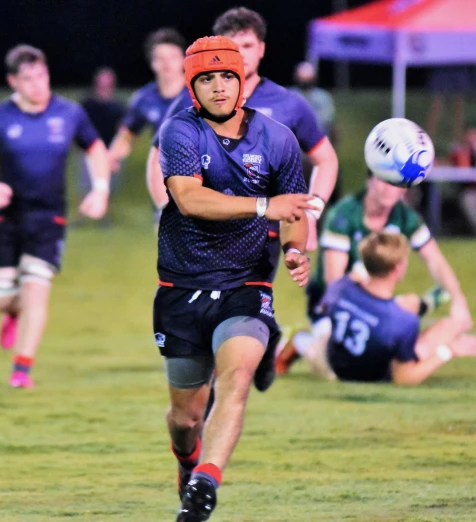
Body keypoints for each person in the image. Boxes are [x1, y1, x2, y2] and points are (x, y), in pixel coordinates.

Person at [156, 36, 315, 521]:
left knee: (237, 379)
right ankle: (189, 460)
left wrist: (294, 250)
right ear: (192, 87)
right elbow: (189, 199)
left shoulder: (278, 139)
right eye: (207, 78)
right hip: (181, 288)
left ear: (243, 80)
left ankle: (206, 483)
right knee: (186, 417)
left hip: (247, 284)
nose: (220, 87)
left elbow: (295, 211)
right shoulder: (179, 132)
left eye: (228, 76)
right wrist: (265, 206)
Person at [0, 45, 110, 388]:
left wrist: (100, 189)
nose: (37, 85)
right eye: (28, 79)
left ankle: (21, 369)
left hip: (49, 218)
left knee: (37, 291)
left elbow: (95, 149)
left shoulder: (69, 113)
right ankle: (11, 313)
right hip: (7, 216)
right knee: (1, 298)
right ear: (13, 82)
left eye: (41, 76)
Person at [146, 7, 339, 252]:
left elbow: (326, 159)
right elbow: (157, 159)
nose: (241, 54)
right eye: (232, 47)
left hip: (262, 242)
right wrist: (167, 210)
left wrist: (311, 214)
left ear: (261, 49)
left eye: (247, 45)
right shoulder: (190, 100)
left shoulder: (289, 104)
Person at [276, 173, 472, 375]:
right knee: (337, 369)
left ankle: (425, 305)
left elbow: (435, 259)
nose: (389, 189)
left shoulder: (405, 217)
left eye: (395, 184)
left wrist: (459, 301)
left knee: (391, 335)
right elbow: (332, 285)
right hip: (335, 302)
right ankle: (302, 341)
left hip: (373, 299)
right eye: (383, 181)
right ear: (370, 180)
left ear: (404, 189)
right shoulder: (345, 215)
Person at [300, 232, 476, 385]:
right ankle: (431, 303)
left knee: (409, 303)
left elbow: (325, 306)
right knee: (450, 326)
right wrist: (448, 351)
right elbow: (403, 378)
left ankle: (297, 342)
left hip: (330, 362)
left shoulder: (341, 287)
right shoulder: (403, 321)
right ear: (398, 269)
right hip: (371, 376)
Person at [107, 28, 186, 173]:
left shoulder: (199, 92)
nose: (167, 63)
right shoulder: (144, 98)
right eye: (160, 58)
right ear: (152, 62)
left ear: (183, 59)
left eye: (173, 57)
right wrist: (112, 157)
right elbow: (126, 135)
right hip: (168, 174)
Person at [291, 61, 342, 205]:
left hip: (317, 158)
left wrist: (331, 154)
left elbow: (331, 128)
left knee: (322, 200)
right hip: (296, 161)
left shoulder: (323, 98)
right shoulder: (290, 96)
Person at [79, 68, 125, 203]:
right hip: (90, 150)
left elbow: (123, 130)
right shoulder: (87, 104)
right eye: (102, 81)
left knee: (110, 185)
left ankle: (105, 217)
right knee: (84, 184)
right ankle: (81, 215)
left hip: (111, 151)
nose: (104, 84)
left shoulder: (118, 107)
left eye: (108, 81)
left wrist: (117, 152)